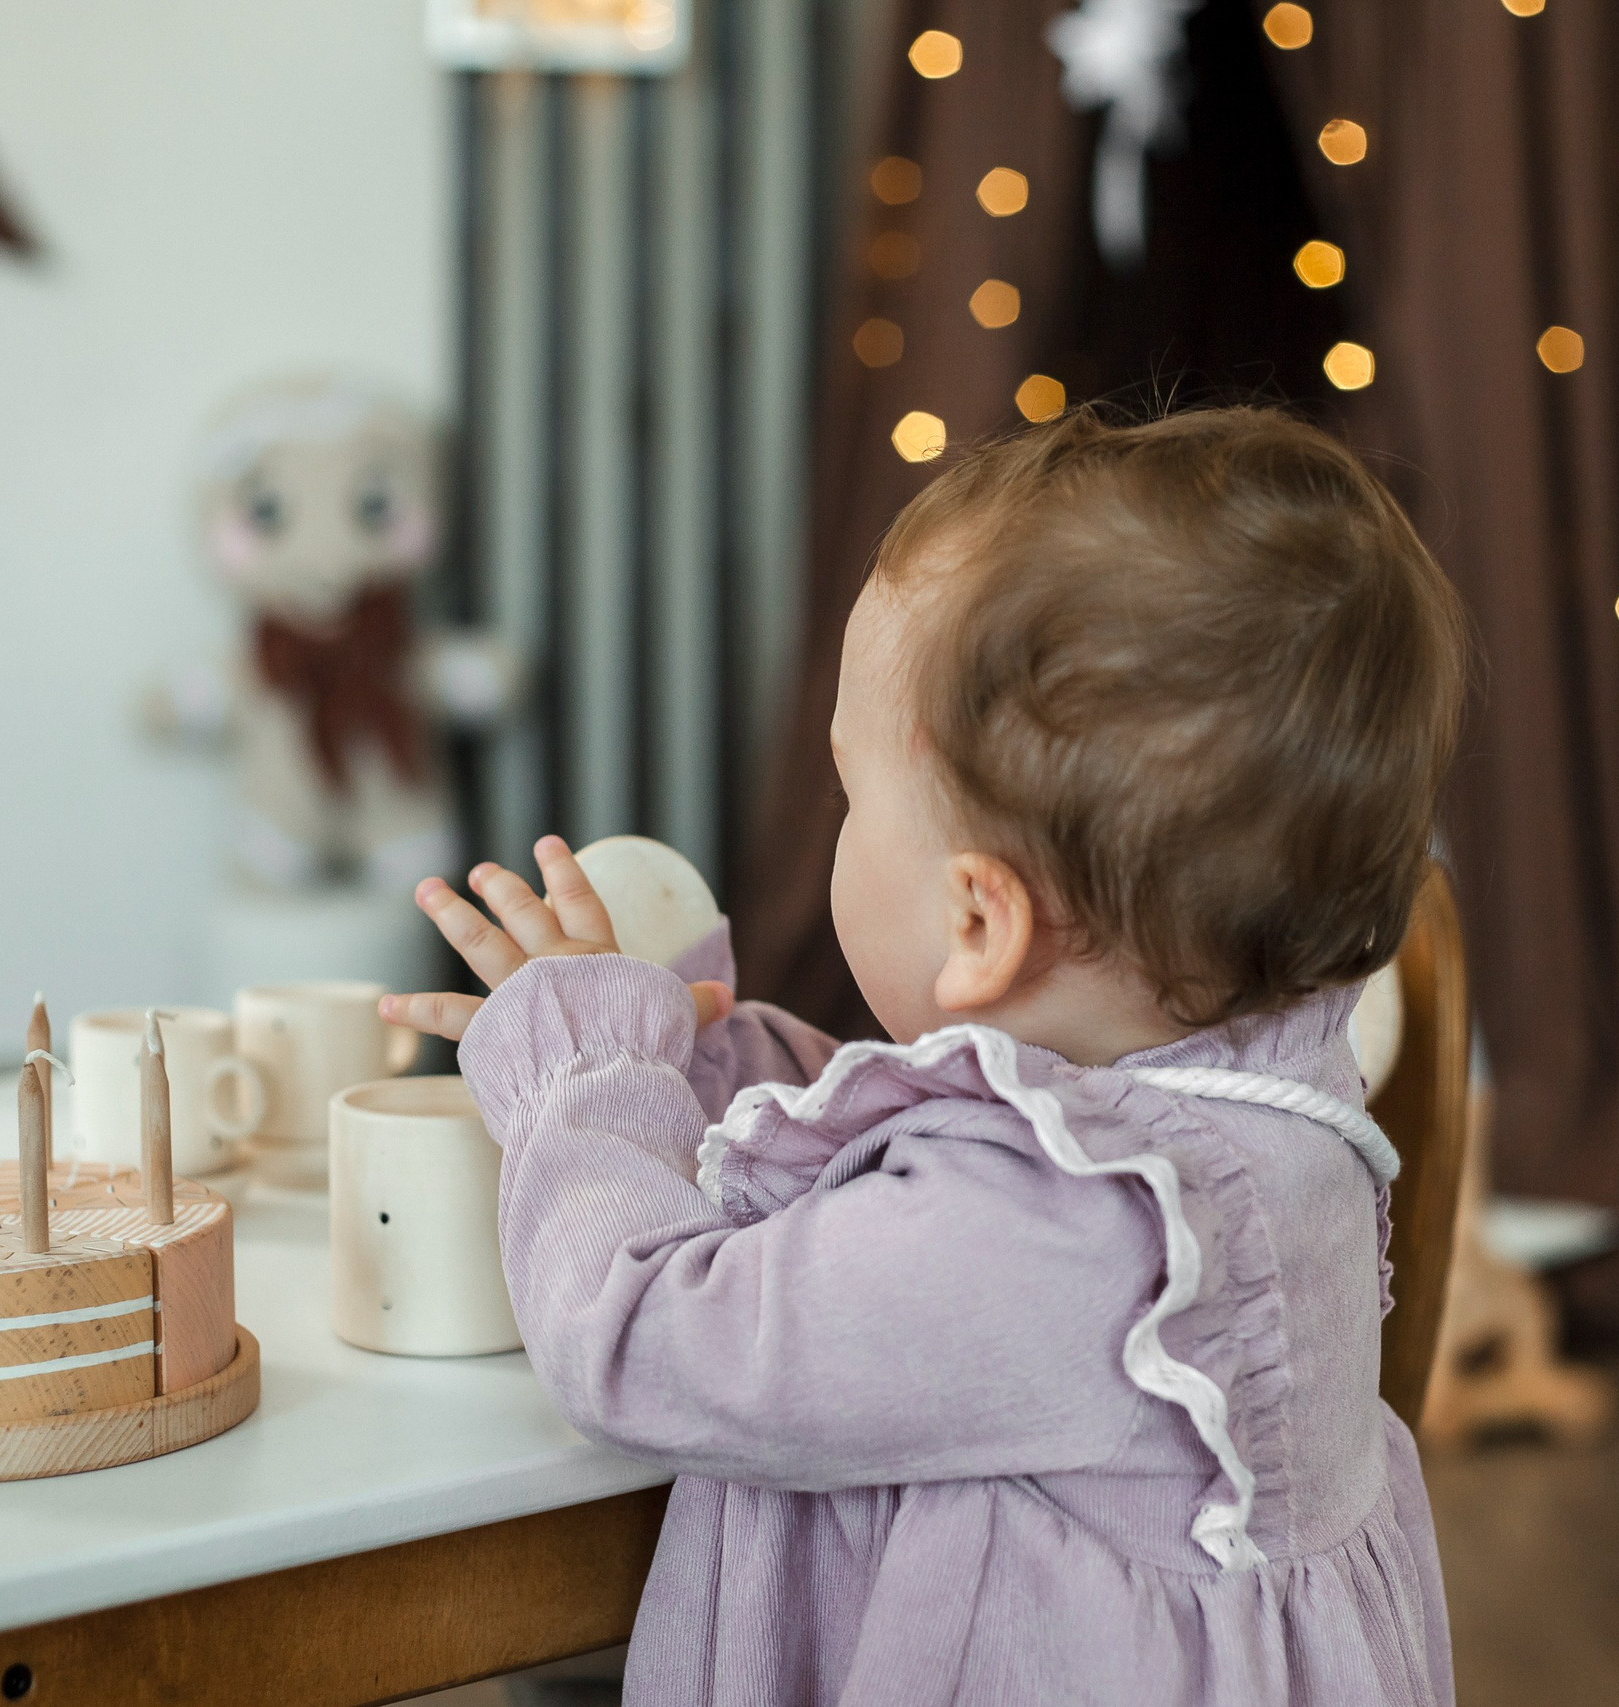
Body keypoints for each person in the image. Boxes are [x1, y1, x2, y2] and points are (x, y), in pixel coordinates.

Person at [383, 405, 1468, 1706]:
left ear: (976, 924)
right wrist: (703, 1063)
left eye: (852, 794)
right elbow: (928, 1143)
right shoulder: (1237, 1096)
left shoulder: (1070, 1226)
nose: (840, 822)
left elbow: (642, 1346)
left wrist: (582, 1082)